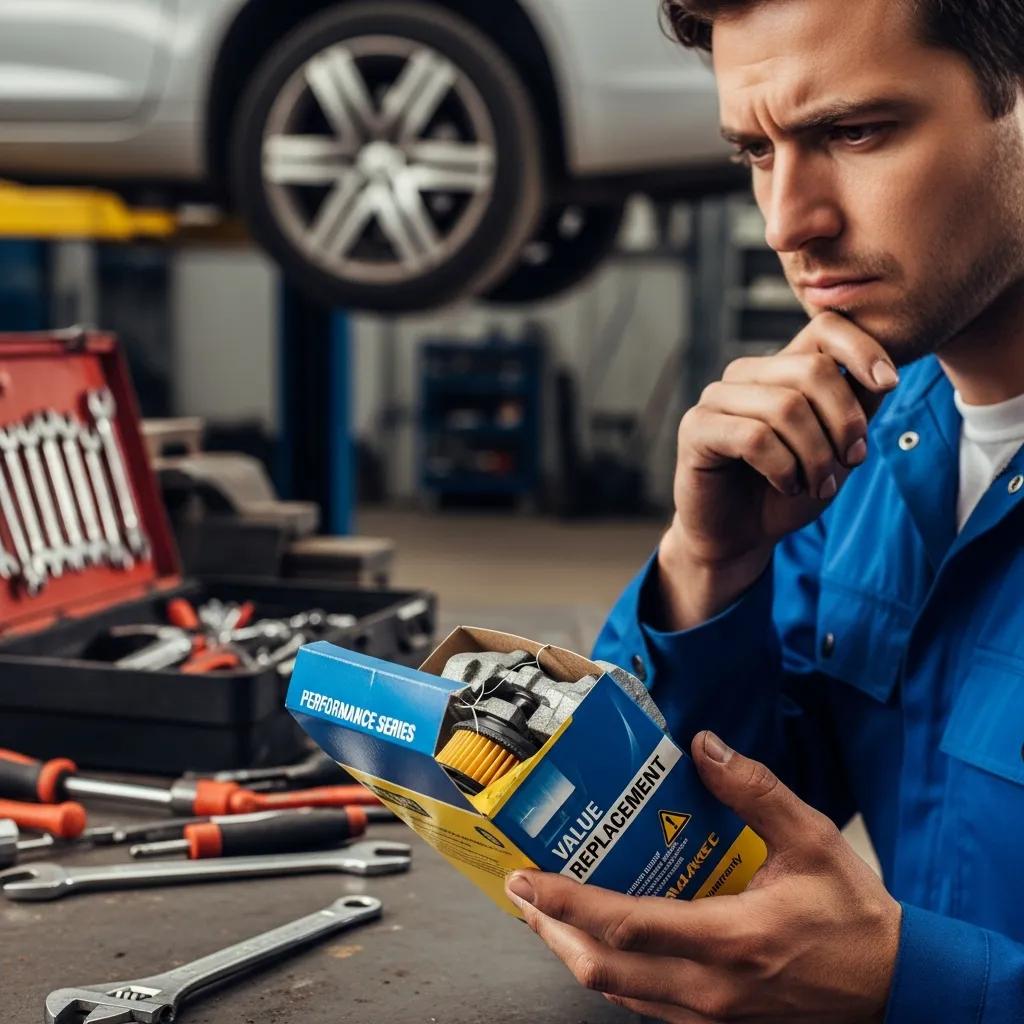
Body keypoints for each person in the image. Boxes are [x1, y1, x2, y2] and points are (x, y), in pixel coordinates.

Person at [502, 1, 1024, 1020]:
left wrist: (904, 985)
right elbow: (678, 840)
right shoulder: (865, 452)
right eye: (755, 150)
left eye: (855, 132)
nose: (787, 222)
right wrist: (708, 568)